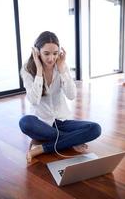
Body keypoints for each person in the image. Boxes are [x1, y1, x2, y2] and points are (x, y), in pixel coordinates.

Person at [19, 31, 101, 163]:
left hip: (62, 121)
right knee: (25, 122)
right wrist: (39, 70)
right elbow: (34, 100)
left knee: (95, 129)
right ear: (37, 51)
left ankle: (42, 148)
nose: (51, 58)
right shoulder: (27, 69)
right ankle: (71, 140)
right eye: (46, 53)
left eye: (55, 53)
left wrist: (62, 69)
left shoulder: (61, 66)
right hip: (41, 123)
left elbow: (71, 95)